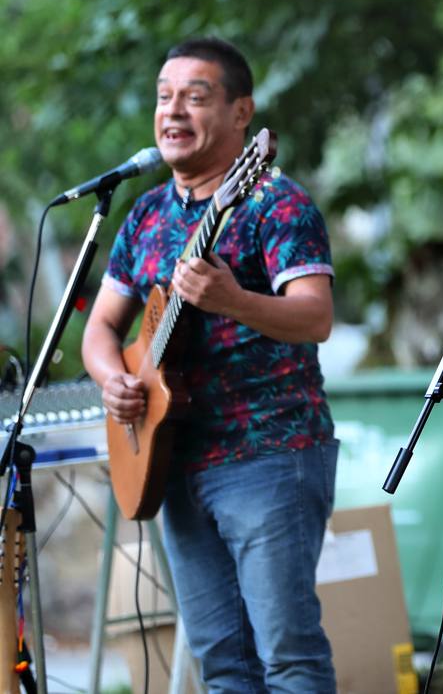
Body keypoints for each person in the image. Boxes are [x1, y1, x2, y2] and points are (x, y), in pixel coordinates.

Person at [82, 37, 339, 693]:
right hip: (175, 460)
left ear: (241, 112)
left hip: (269, 453)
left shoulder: (275, 203)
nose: (173, 111)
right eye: (164, 97)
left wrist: (233, 299)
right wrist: (116, 378)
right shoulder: (142, 215)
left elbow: (316, 317)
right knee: (222, 664)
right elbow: (101, 331)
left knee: (289, 658)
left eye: (195, 97)